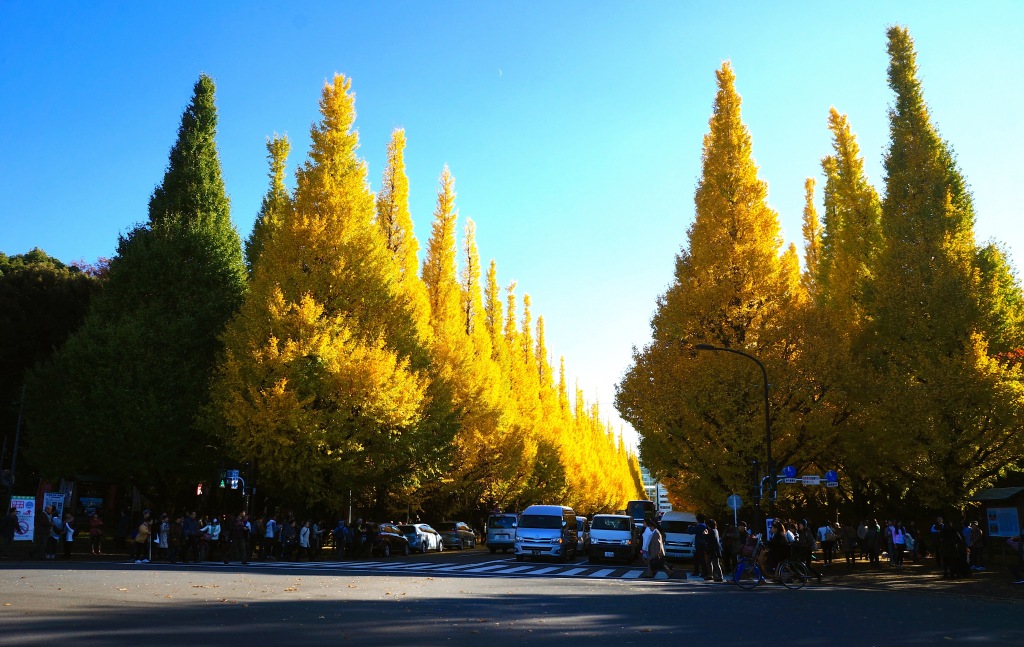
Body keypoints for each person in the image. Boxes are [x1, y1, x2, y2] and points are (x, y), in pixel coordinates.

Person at [691, 514, 709, 580]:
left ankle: (701, 572)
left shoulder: (699, 526)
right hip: (703, 544)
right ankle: (699, 572)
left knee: (699, 559)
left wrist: (690, 527)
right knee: (700, 559)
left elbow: (691, 531)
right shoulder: (705, 526)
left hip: (699, 544)